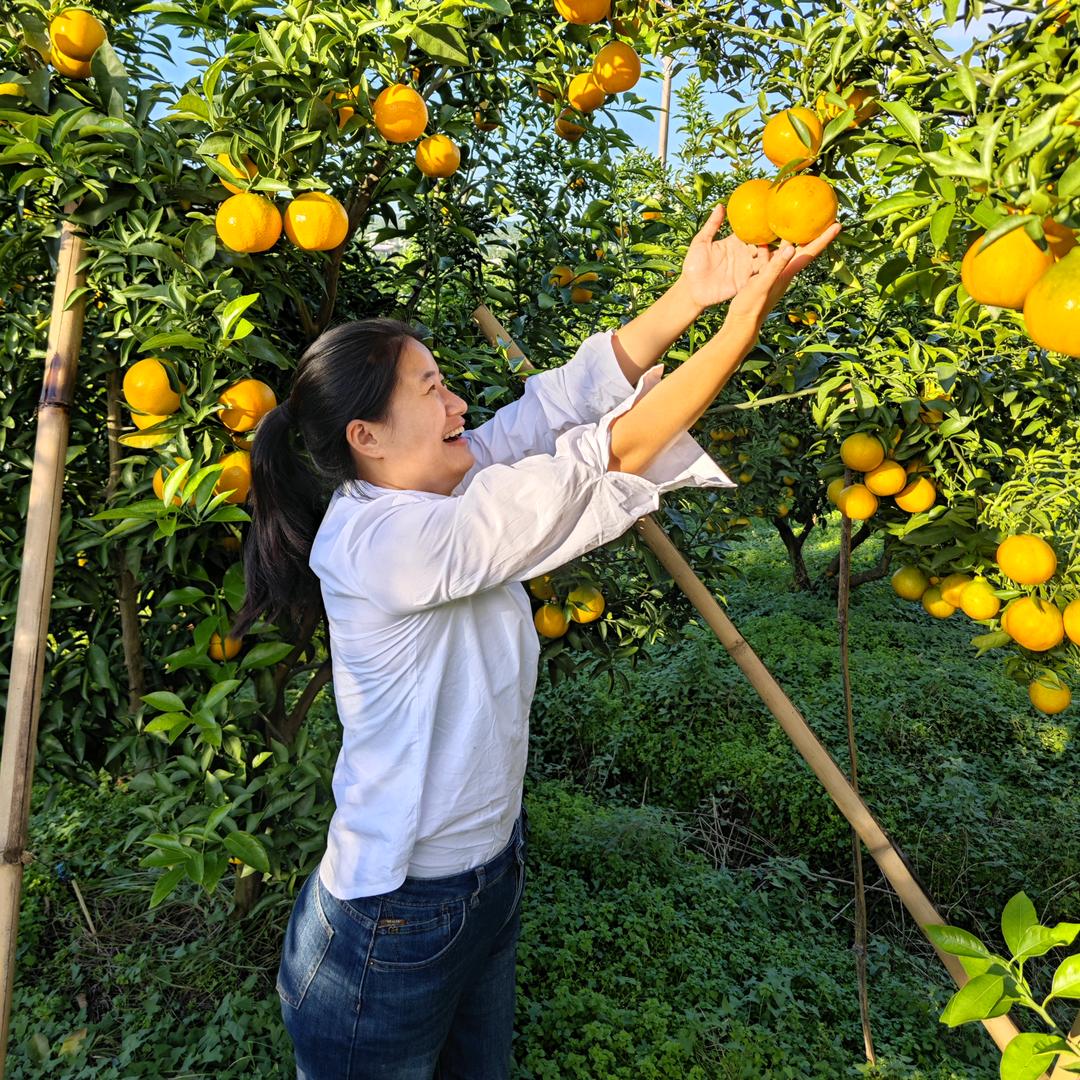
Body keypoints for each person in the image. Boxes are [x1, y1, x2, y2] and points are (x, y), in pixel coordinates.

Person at [233, 203, 839, 1079]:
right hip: (392, 919)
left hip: (488, 875)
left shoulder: (441, 482)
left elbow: (555, 408)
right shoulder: (385, 544)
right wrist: (740, 327)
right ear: (365, 438)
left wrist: (688, 297)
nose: (458, 401)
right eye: (432, 389)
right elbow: (598, 462)